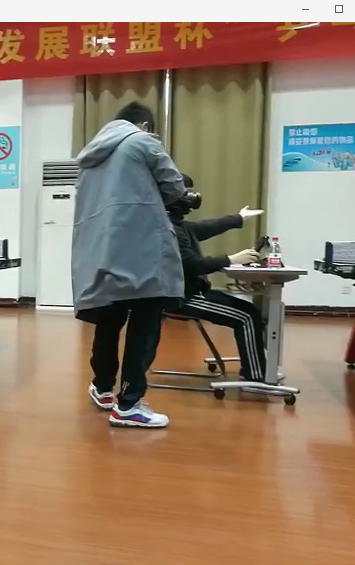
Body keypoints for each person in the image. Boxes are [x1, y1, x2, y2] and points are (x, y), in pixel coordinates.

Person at [72, 101, 186, 429]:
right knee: (145, 321)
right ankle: (130, 404)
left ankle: (103, 388)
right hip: (141, 245)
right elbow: (175, 187)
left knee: (109, 320)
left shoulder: (90, 157)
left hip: (103, 248)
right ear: (145, 125)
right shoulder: (142, 141)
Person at [167, 174, 268, 382]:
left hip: (193, 292)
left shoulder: (178, 225)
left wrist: (240, 218)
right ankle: (255, 378)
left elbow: (207, 227)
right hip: (183, 299)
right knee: (246, 317)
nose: (192, 197)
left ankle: (253, 369)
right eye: (186, 193)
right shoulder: (169, 229)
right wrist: (231, 259)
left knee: (250, 311)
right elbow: (193, 265)